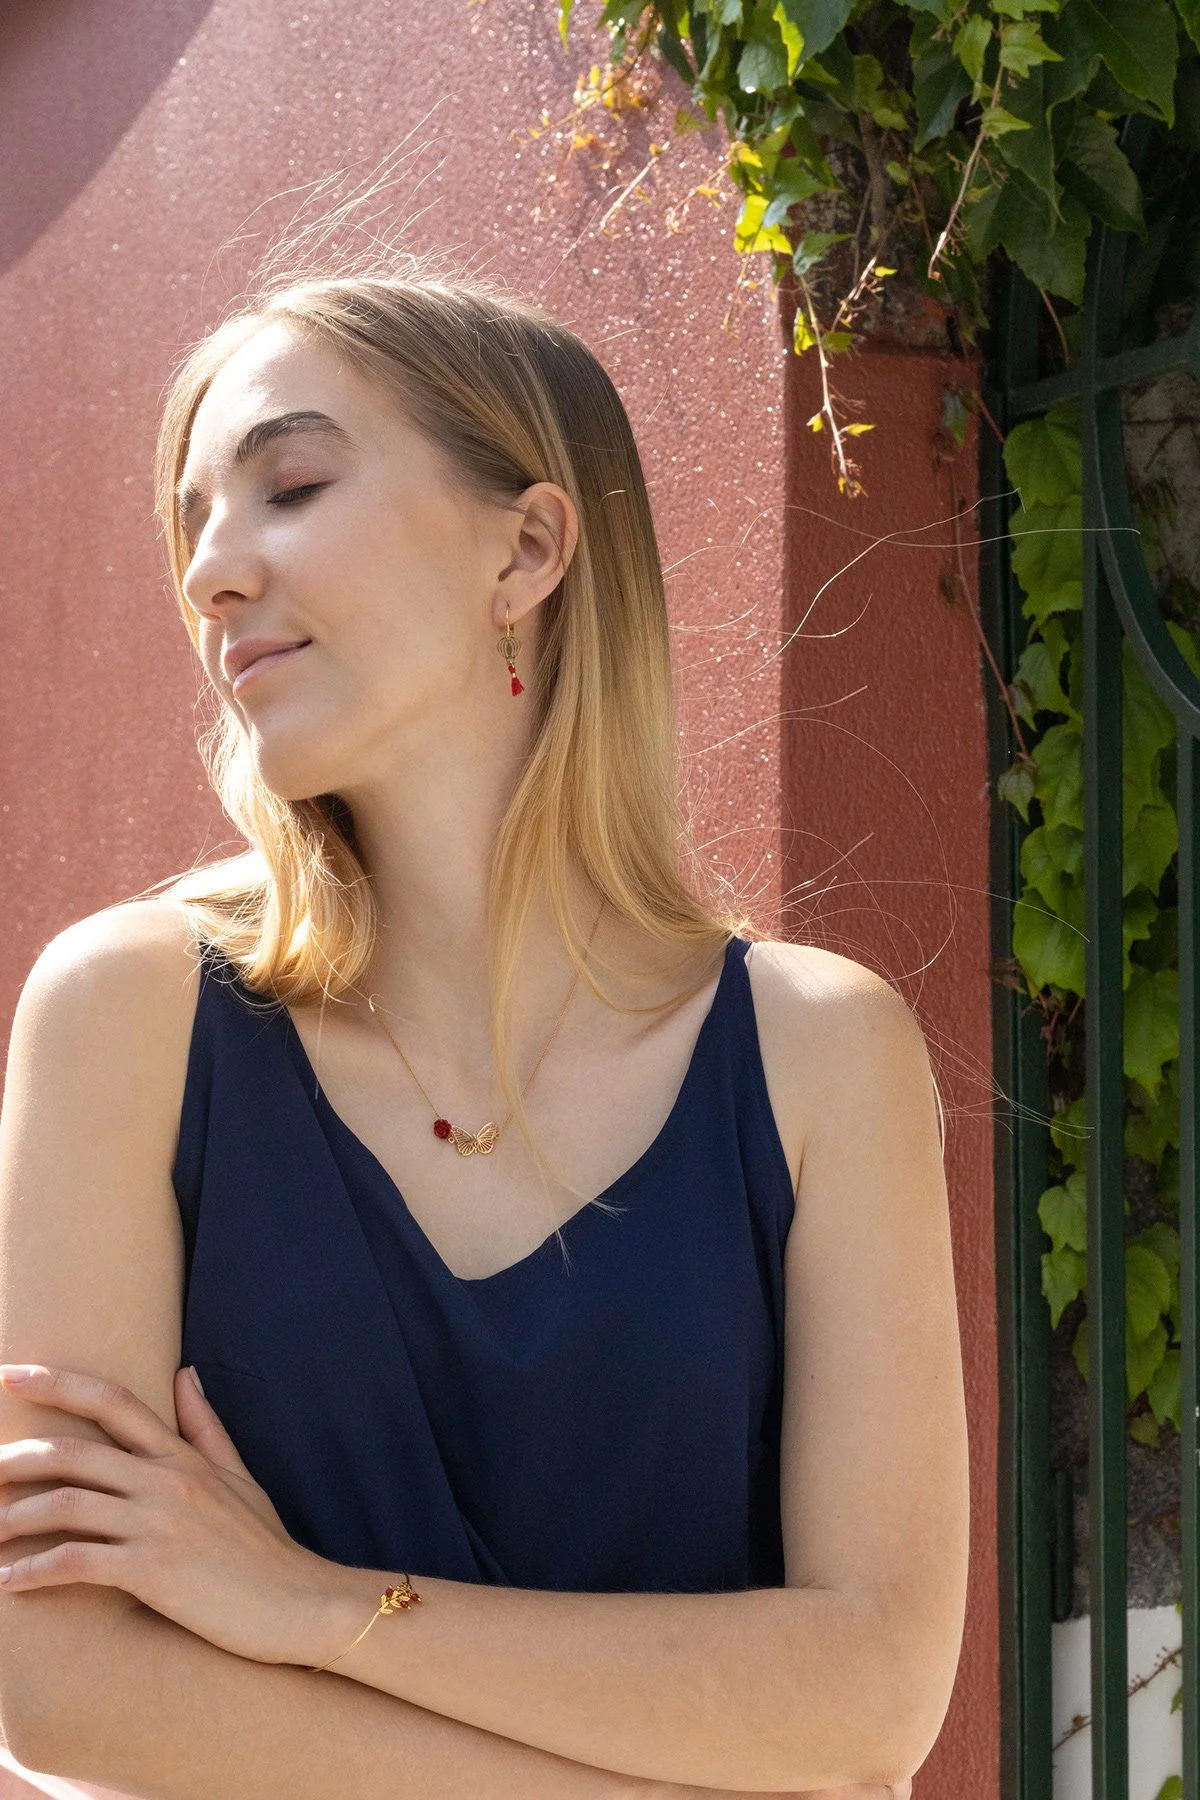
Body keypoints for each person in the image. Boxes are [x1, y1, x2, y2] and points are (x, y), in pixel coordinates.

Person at [0, 265, 967, 1799]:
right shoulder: (126, 1018)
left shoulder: (820, 1055)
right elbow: (66, 1691)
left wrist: (308, 1611)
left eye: (291, 484)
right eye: (193, 524)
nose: (209, 574)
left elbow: (869, 1700)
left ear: (527, 548)